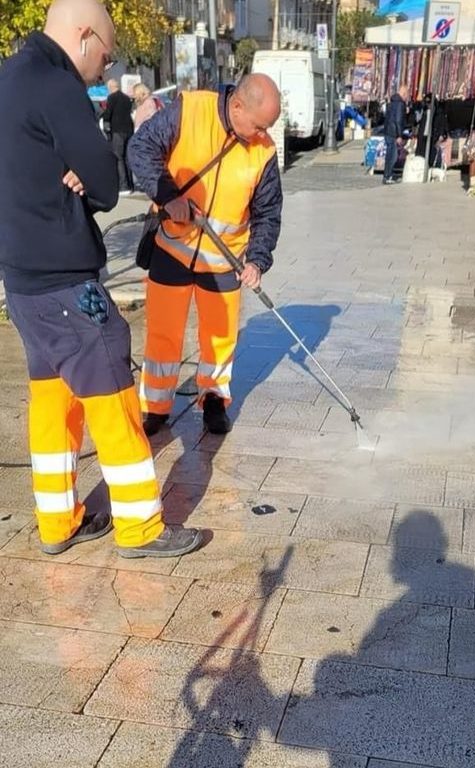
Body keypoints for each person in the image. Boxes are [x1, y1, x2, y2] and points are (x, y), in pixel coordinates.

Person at [0, 0, 202, 559]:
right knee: (111, 389)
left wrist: (64, 174)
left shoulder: (8, 76)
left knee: (52, 400)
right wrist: (79, 177)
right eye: (106, 56)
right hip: (67, 279)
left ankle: (57, 520)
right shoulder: (57, 83)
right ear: (84, 35)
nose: (105, 70)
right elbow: (107, 184)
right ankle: (142, 527)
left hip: (22, 281)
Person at [128, 74, 283, 437]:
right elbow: (141, 149)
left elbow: (268, 210)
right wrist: (169, 196)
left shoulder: (264, 151)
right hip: (172, 249)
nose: (263, 134)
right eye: (260, 125)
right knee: (163, 335)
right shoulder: (190, 110)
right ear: (238, 106)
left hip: (225, 259)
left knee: (219, 338)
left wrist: (258, 259)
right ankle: (155, 406)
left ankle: (214, 399)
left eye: (268, 127)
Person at [102, 77, 134, 195]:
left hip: (118, 130)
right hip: (129, 130)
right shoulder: (126, 98)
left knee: (118, 157)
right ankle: (131, 185)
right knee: (127, 157)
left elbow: (108, 113)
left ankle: (123, 186)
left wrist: (103, 118)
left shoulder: (112, 98)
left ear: (110, 87)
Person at [383, 83, 409, 185]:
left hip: (388, 131)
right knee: (392, 156)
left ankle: (387, 175)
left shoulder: (392, 102)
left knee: (389, 155)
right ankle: (388, 176)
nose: (407, 97)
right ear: (403, 93)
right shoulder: (400, 104)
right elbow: (398, 120)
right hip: (393, 133)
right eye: (407, 95)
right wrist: (399, 135)